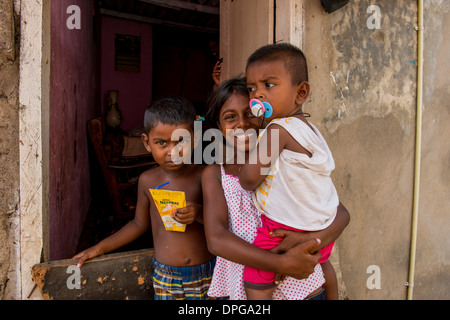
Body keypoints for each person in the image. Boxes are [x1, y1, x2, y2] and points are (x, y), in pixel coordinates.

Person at [202, 77, 349, 300]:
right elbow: (216, 239)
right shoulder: (216, 174)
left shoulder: (287, 161)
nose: (242, 123)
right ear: (219, 128)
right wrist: (280, 262)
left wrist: (305, 242)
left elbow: (340, 214)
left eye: (250, 113)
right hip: (246, 288)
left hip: (302, 286)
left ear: (265, 114)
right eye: (230, 117)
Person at [73, 96, 215, 300]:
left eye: (181, 141)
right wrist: (98, 248)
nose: (172, 151)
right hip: (166, 277)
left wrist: (199, 213)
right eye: (161, 143)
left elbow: (222, 223)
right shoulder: (147, 181)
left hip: (207, 274)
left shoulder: (205, 176)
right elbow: (138, 224)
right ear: (147, 143)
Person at [238, 43, 341, 300]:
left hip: (282, 230)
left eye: (268, 85)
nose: (258, 95)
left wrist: (245, 161)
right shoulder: (312, 132)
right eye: (252, 88)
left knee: (254, 275)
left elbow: (249, 180)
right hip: (321, 231)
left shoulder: (278, 129)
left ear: (300, 92)